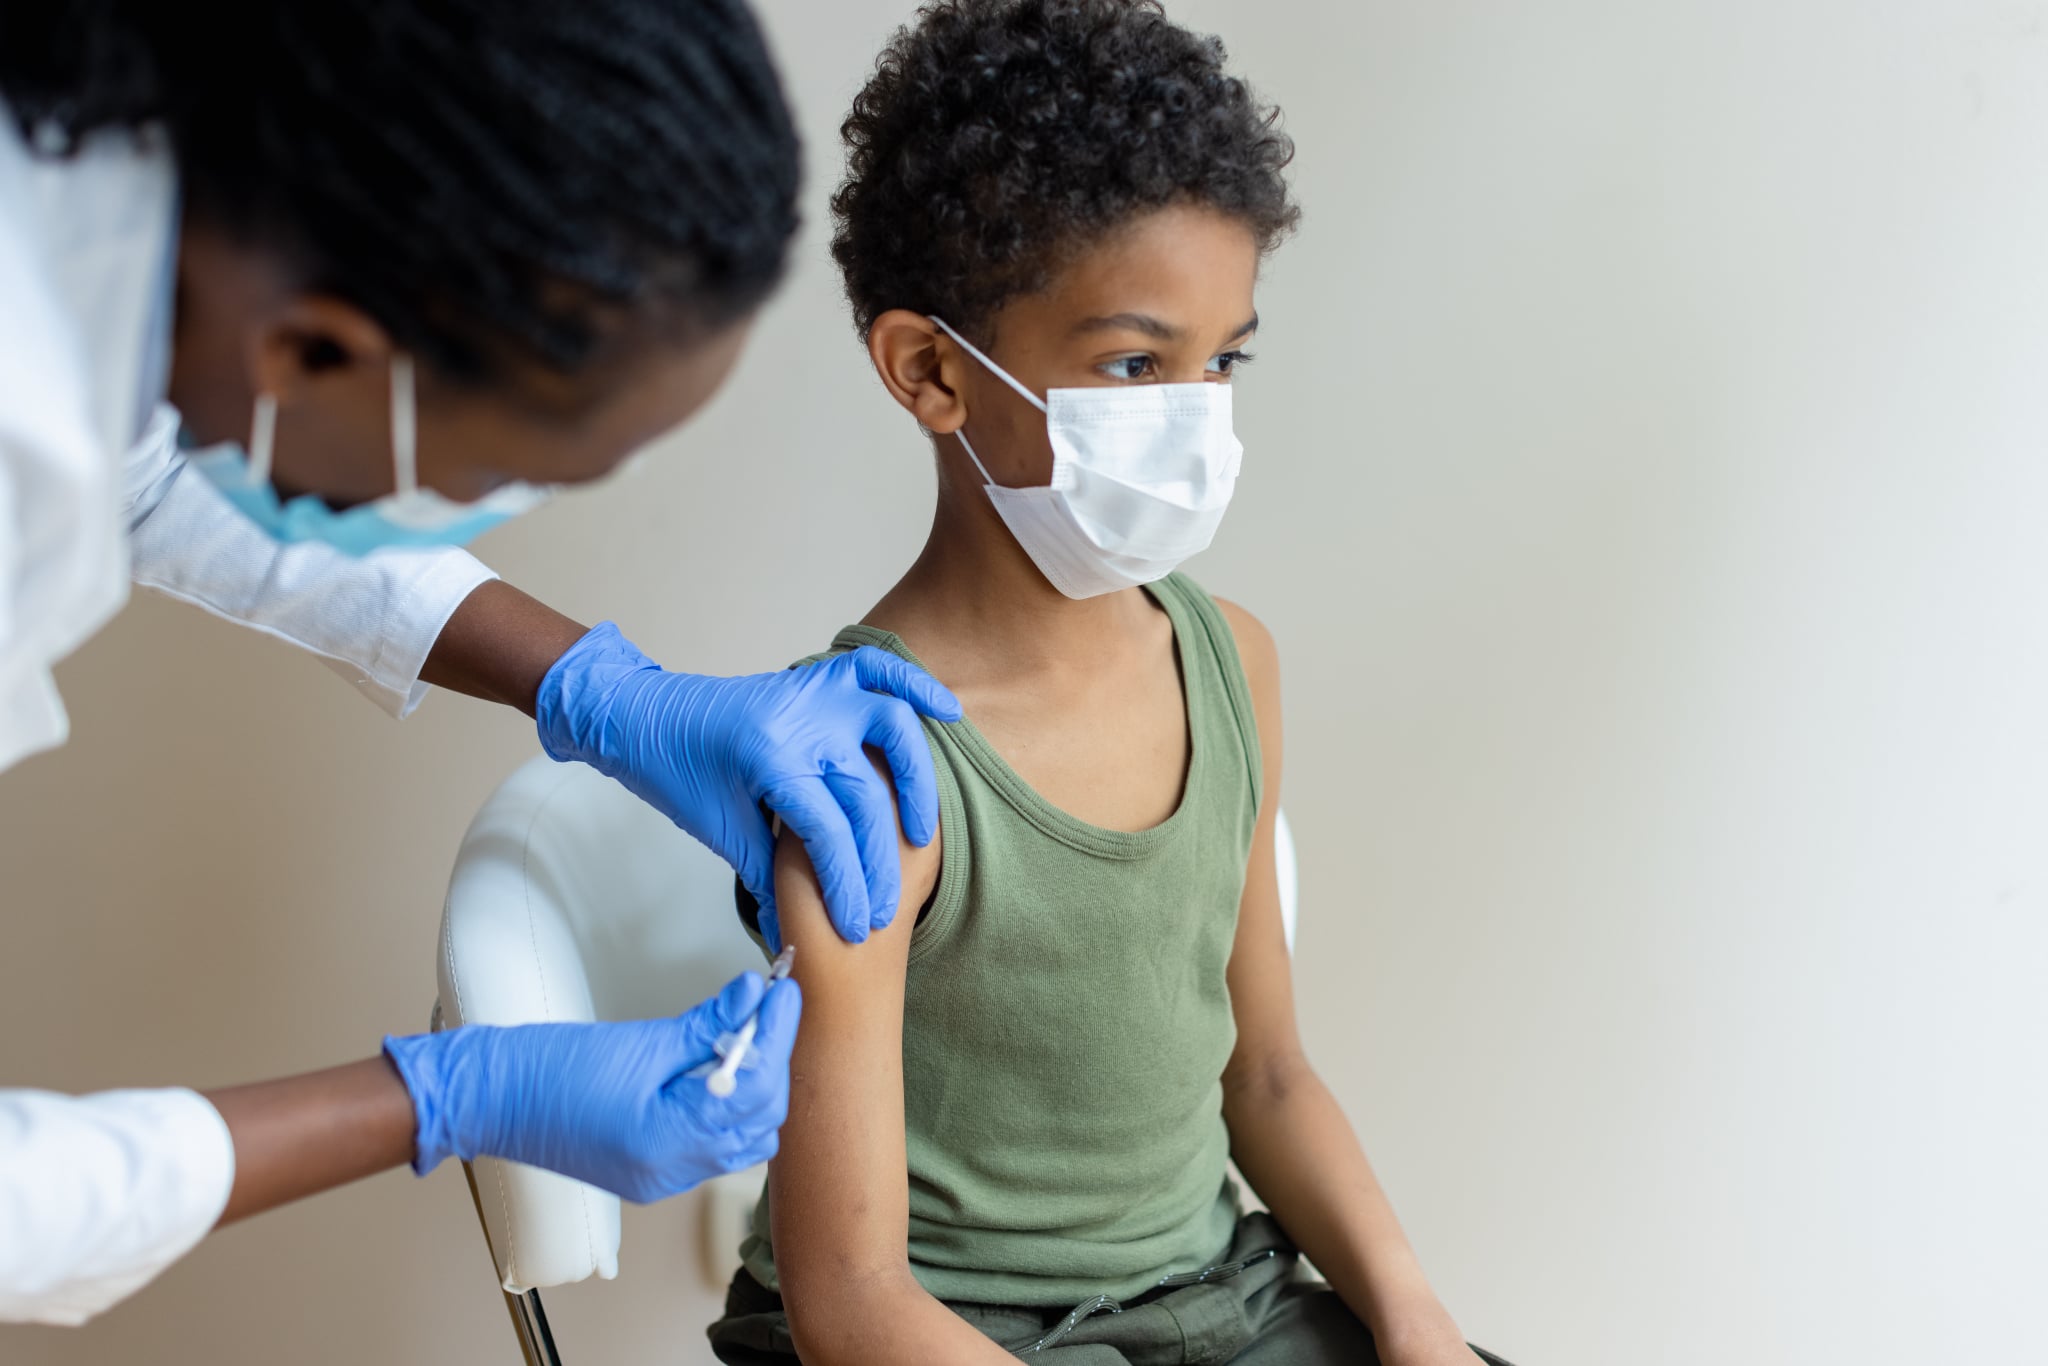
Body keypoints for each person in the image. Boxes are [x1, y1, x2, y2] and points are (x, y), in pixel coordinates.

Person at [0, 0, 962, 1327]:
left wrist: (596, 685)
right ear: (322, 351)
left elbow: (161, 461)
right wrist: (443, 1094)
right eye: (499, 467)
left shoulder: (128, 247)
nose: (485, 503)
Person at [704, 4, 1514, 1364]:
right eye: (1136, 364)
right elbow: (851, 1297)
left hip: (1219, 1303)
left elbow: (1265, 1074)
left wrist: (1417, 1317)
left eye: (1223, 359)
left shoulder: (1235, 663)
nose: (1196, 417)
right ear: (931, 369)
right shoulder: (860, 754)